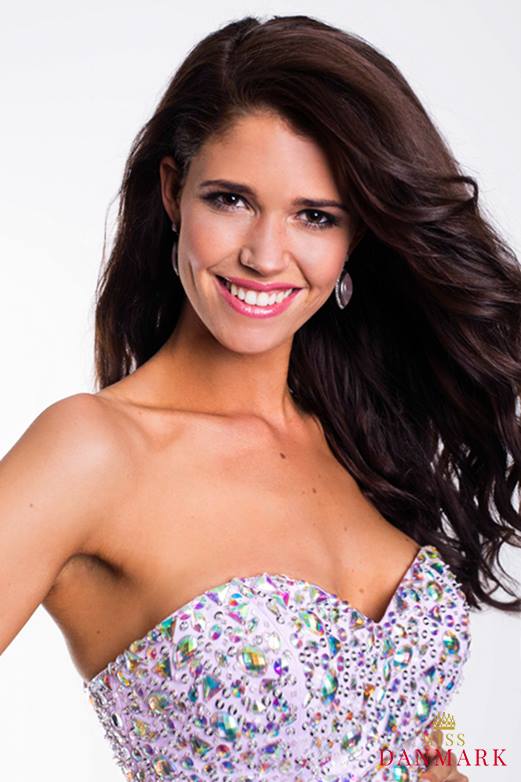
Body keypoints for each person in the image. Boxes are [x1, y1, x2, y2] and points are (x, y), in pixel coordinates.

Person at [1, 12, 519, 782]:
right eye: (231, 200)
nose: (266, 256)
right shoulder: (93, 451)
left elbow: (409, 750)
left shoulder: (365, 442)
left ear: (354, 235)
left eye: (314, 215)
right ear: (173, 193)